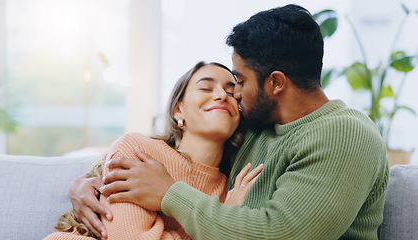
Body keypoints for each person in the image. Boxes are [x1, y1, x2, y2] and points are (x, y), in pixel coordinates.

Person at [71, 4, 389, 239]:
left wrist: (170, 193)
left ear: (275, 83)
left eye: (239, 80)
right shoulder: (254, 125)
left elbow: (280, 234)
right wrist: (85, 184)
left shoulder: (345, 134)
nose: (232, 93)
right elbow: (182, 155)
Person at [44, 61, 264, 240]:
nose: (222, 95)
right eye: (206, 87)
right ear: (178, 109)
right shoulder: (138, 149)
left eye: (231, 91)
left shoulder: (231, 191)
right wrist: (216, 224)